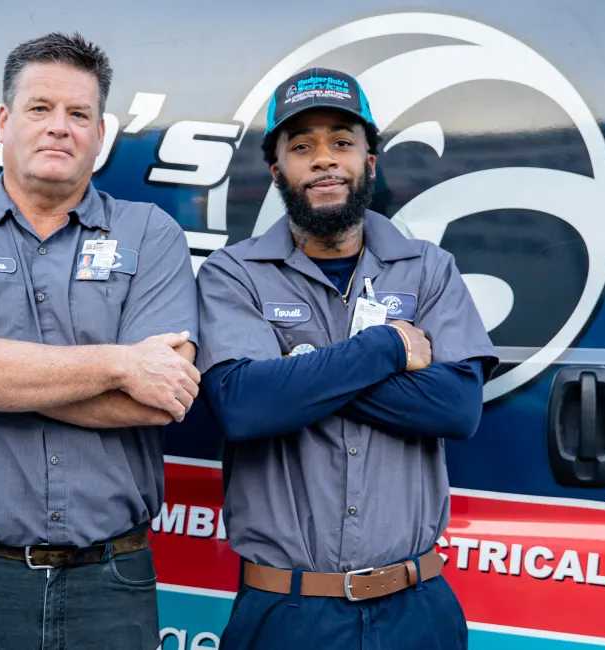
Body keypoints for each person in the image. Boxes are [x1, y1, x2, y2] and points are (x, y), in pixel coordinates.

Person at [0, 32, 199, 650]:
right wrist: (118, 363)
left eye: (79, 114)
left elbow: (157, 399)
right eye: (40, 108)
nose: (59, 128)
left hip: (111, 579)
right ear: (3, 121)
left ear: (100, 134)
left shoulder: (151, 233)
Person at [194, 67, 498, 649]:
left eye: (342, 142)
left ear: (370, 162)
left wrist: (298, 369)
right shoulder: (234, 273)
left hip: (417, 610)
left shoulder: (428, 267)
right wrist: (383, 349)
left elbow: (456, 408)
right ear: (277, 168)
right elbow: (245, 407)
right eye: (302, 146)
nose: (324, 159)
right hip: (287, 611)